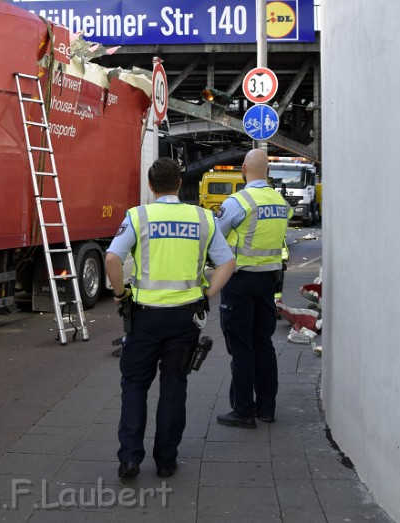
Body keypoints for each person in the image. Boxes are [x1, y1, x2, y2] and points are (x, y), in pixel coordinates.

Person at [105, 157, 235, 480]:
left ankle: (130, 458)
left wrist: (121, 293)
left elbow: (111, 259)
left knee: (134, 385)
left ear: (151, 186)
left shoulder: (139, 216)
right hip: (184, 320)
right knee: (174, 387)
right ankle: (165, 461)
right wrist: (207, 295)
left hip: (145, 318)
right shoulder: (203, 218)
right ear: (179, 183)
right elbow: (227, 263)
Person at [214, 148, 292, 429]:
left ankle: (243, 410)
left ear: (244, 169)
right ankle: (267, 408)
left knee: (241, 346)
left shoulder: (239, 201)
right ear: (268, 171)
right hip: (268, 280)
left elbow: (216, 234)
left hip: (240, 281)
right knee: (264, 344)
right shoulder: (280, 201)